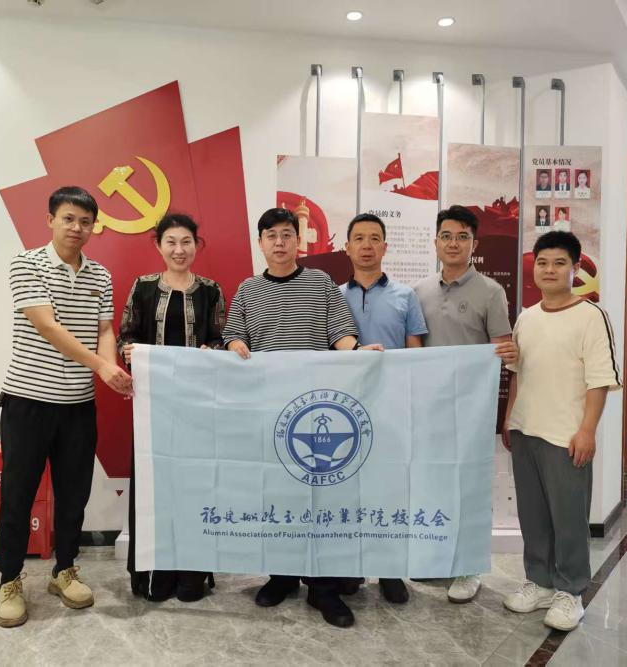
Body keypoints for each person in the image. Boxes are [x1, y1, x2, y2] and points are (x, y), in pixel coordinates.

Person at [223, 207, 382, 629]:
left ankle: (323, 587)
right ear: (260, 242)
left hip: (315, 410)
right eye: (271, 235)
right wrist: (236, 344)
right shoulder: (248, 290)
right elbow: (233, 335)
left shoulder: (320, 283)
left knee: (322, 498)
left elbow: (340, 333)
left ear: (299, 240)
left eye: (287, 234)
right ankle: (281, 575)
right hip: (269, 411)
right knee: (276, 495)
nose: (279, 242)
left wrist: (356, 351)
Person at [0, 186, 133, 628]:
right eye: (68, 218)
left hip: (78, 406)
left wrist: (109, 369)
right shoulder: (26, 263)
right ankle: (10, 580)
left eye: (85, 221)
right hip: (28, 401)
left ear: (94, 226)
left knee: (74, 495)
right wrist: (101, 366)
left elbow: (105, 328)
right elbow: (48, 327)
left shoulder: (100, 275)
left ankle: (65, 570)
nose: (77, 228)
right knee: (18, 496)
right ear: (50, 219)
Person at [502, 231, 620, 632]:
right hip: (526, 431)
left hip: (566, 436)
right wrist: (510, 418)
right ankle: (539, 583)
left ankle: (571, 591)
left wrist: (587, 430)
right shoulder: (526, 317)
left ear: (575, 268)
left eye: (559, 263)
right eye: (542, 263)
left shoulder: (591, 316)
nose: (549, 270)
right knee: (533, 516)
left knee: (569, 518)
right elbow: (517, 372)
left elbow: (599, 380)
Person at [117, 213, 226, 604]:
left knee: (196, 484)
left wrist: (211, 351)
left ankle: (193, 571)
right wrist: (129, 352)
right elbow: (125, 336)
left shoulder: (211, 291)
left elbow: (221, 339)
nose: (179, 250)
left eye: (186, 242)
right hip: (153, 405)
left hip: (198, 407)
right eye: (171, 242)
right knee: (152, 484)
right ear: (158, 245)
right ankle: (152, 572)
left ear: (196, 244)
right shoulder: (144, 287)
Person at [413, 205, 518, 604]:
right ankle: (437, 558)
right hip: (428, 409)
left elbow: (502, 350)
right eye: (446, 236)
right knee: (432, 483)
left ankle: (468, 567)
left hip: (471, 410)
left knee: (469, 487)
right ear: (436, 242)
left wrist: (509, 353)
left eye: (462, 237)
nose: (453, 243)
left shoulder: (491, 292)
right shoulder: (419, 291)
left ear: (474, 244)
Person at [338, 213, 427, 605]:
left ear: (386, 247)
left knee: (390, 490)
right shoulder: (332, 296)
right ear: (347, 247)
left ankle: (390, 570)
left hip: (391, 407)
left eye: (375, 238)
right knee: (347, 490)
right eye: (359, 238)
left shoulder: (406, 296)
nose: (367, 245)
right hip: (345, 407)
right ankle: (350, 568)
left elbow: (415, 354)